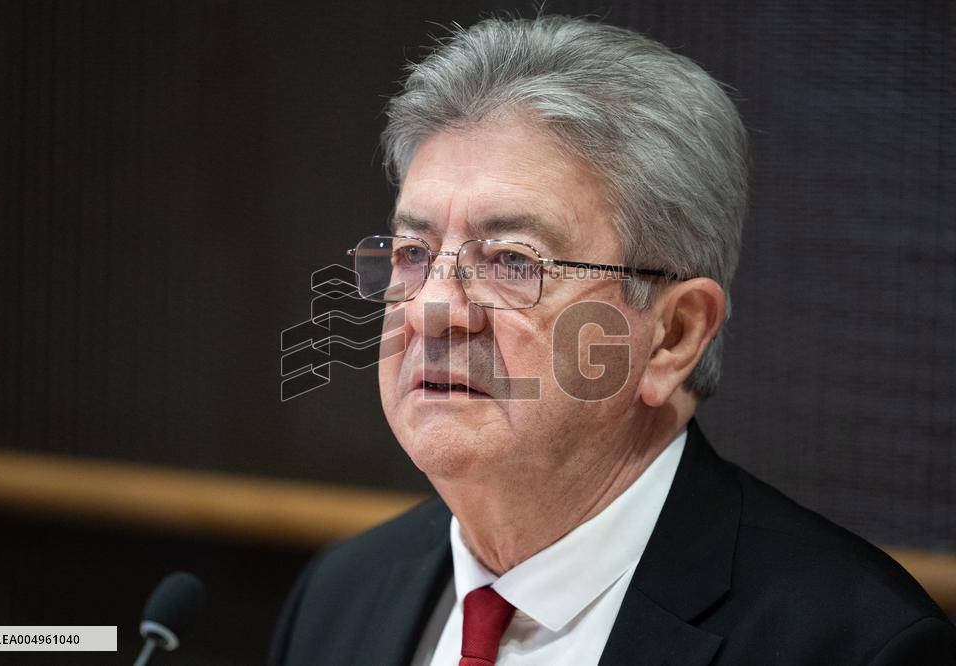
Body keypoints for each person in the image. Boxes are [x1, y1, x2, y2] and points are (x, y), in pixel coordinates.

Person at [269, 15, 956, 665]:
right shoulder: (339, 598)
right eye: (414, 253)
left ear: (673, 336)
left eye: (513, 261)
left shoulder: (853, 645)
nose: (434, 310)